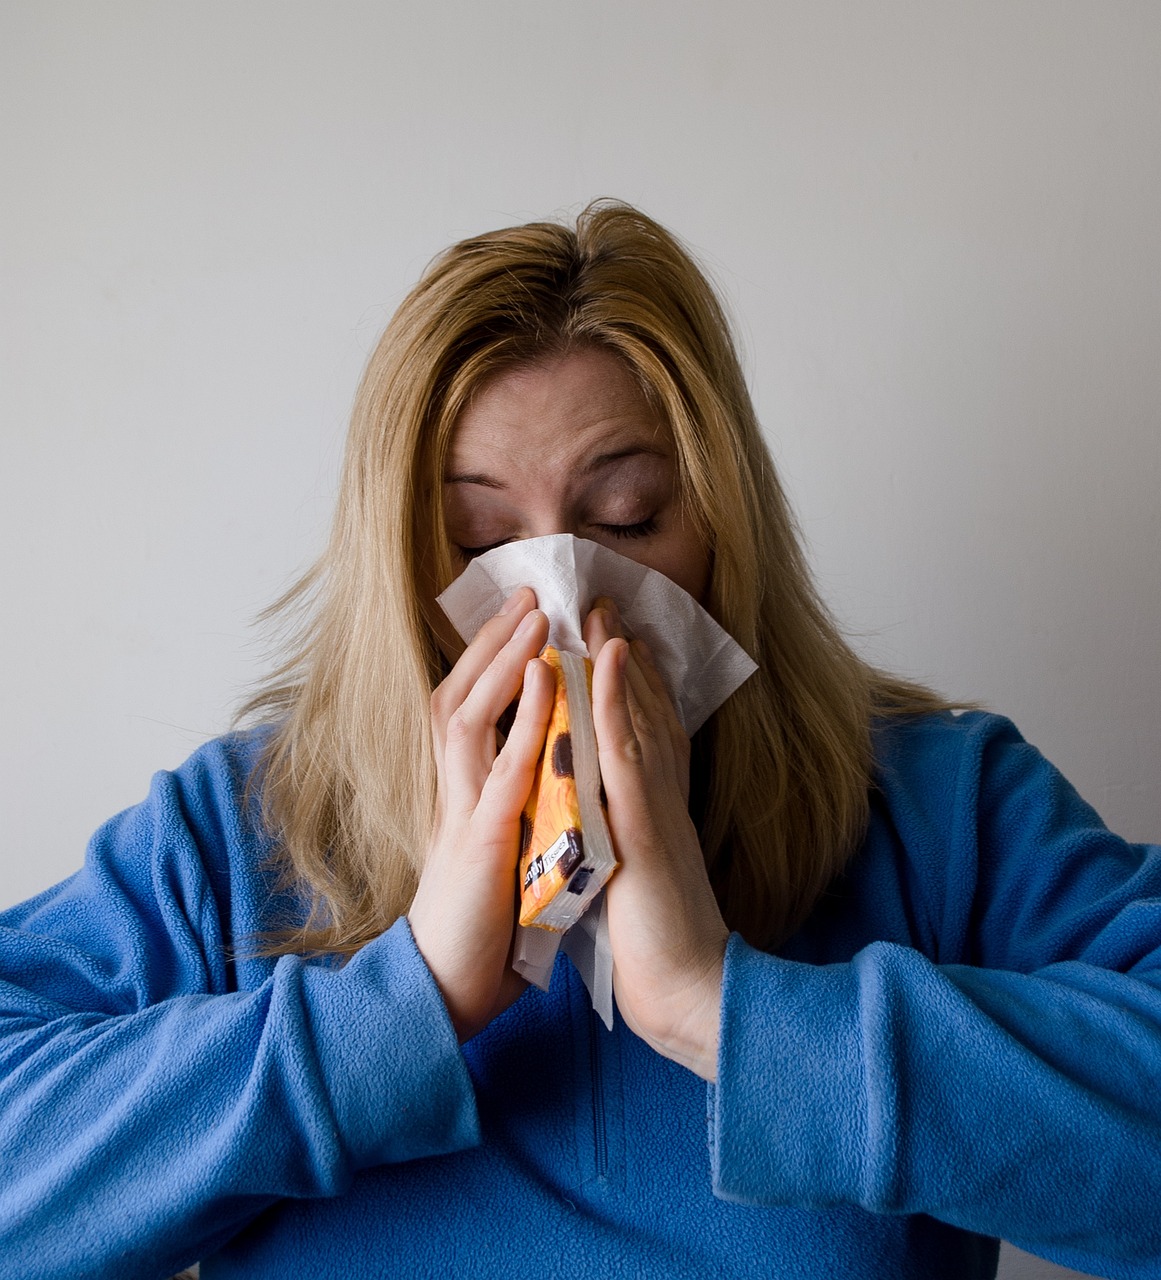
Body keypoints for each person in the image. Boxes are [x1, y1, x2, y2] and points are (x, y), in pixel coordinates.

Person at [2, 201, 1159, 1280]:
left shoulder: (935, 804)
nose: (557, 600)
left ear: (721, 526)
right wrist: (405, 1008)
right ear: (398, 563)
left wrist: (725, 1009)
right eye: (477, 539)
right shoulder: (243, 831)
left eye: (623, 521)